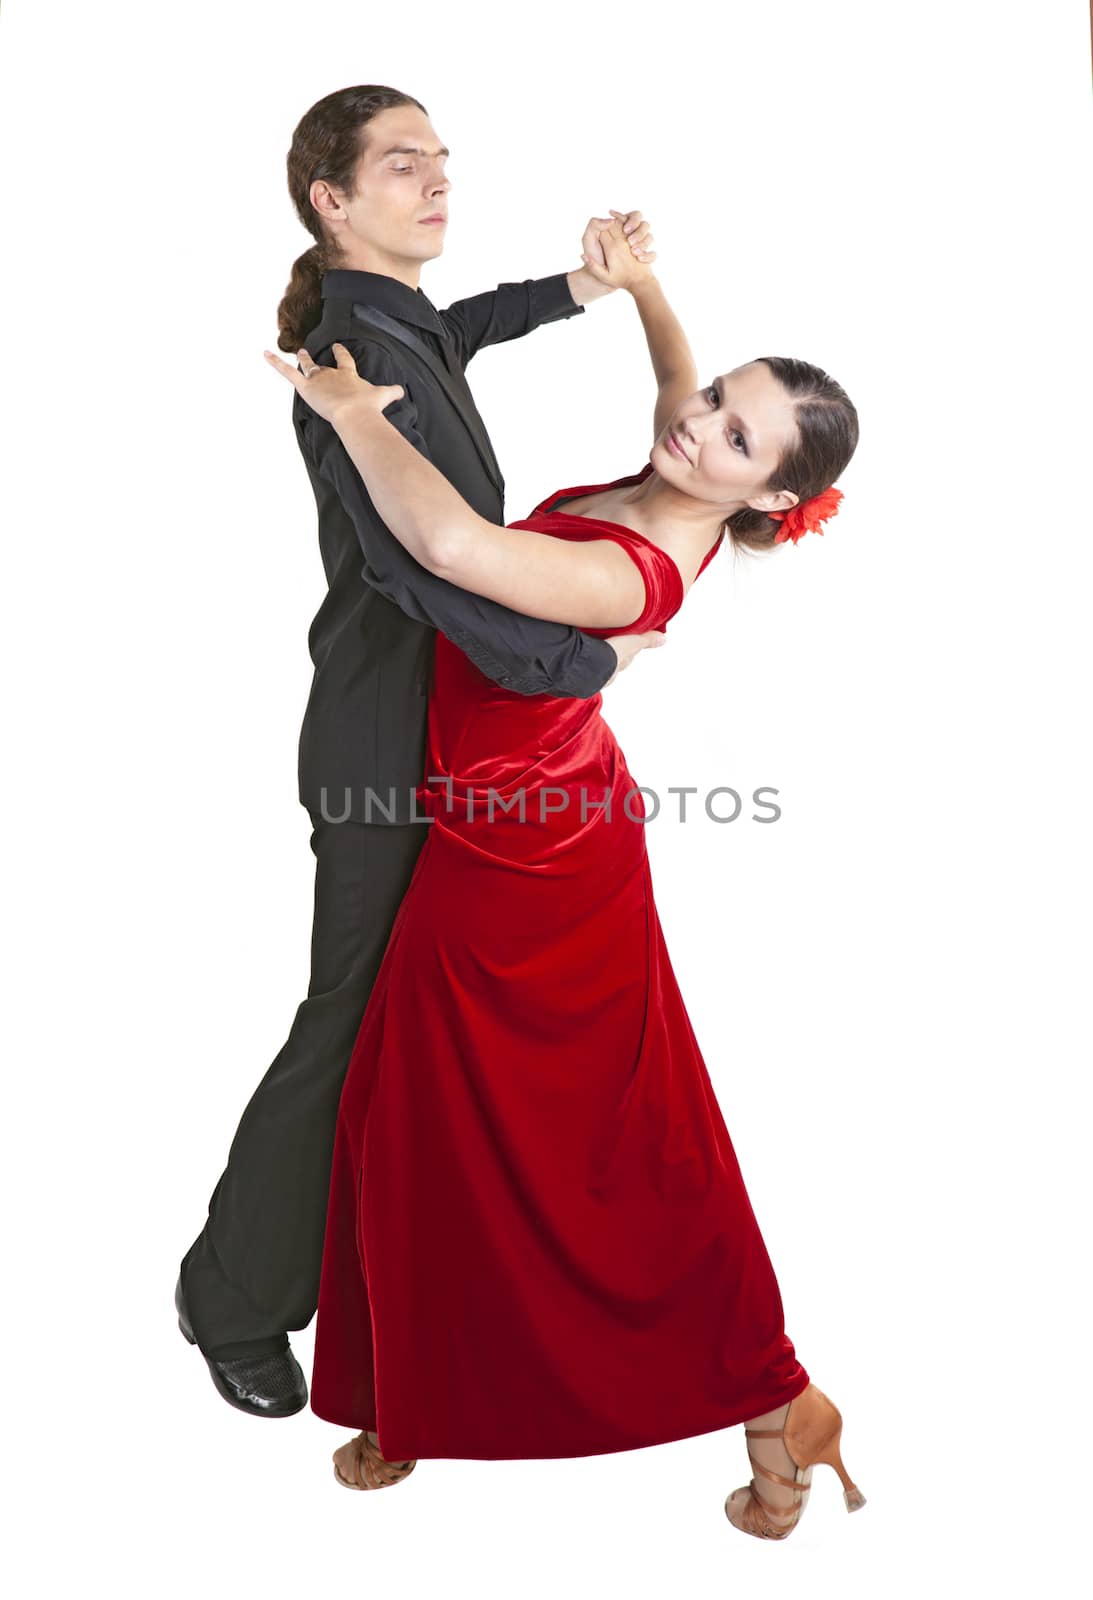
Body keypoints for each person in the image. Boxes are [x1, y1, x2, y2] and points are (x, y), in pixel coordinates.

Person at [263, 217, 866, 1540]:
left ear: (766, 499)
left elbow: (453, 550)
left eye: (735, 438)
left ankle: (771, 1391)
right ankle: (423, 1385)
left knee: (546, 1134)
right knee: (437, 1112)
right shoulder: (680, 475)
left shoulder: (623, 570)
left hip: (526, 864)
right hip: (532, 819)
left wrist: (355, 413)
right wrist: (642, 287)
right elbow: (672, 386)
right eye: (718, 401)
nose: (698, 424)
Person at [175, 84, 665, 1417]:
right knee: (352, 1015)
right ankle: (231, 1298)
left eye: (442, 160)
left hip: (450, 730)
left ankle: (412, 1282)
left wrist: (576, 287)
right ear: (331, 202)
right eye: (403, 166)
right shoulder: (349, 352)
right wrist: (573, 662)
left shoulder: (387, 322)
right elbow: (412, 566)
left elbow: (454, 332)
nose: (437, 181)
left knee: (434, 1021)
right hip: (384, 738)